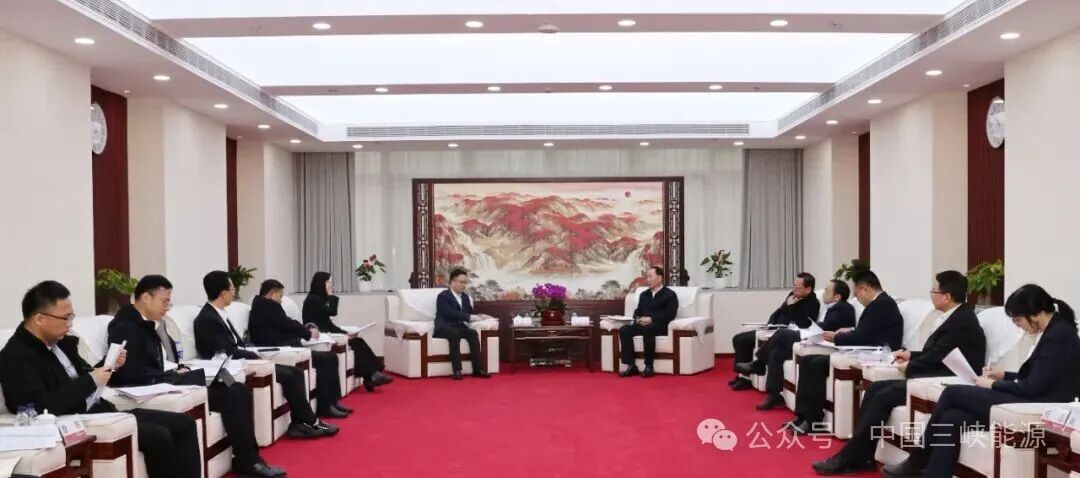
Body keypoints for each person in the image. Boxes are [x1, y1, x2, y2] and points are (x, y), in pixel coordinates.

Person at [0, 281, 202, 478]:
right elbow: (40, 406)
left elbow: (86, 375)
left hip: (101, 410)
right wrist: (91, 380)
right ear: (39, 319)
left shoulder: (60, 343)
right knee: (158, 435)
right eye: (65, 318)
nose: (70, 325)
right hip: (74, 421)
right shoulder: (17, 356)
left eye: (72, 317)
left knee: (183, 423)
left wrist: (109, 364)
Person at [884, 284, 1080, 478]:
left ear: (1035, 314)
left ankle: (917, 460)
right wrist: (1002, 375)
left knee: (952, 393)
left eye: (1018, 320)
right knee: (952, 417)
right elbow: (1037, 377)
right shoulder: (1054, 331)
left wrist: (992, 384)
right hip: (1031, 397)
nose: (1017, 326)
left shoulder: (1058, 336)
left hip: (1039, 404)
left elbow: (1033, 387)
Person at [108, 275, 286, 478]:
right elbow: (131, 373)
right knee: (230, 395)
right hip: (151, 386)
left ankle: (248, 457)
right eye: (165, 302)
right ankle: (248, 461)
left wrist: (177, 370)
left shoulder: (148, 322)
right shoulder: (126, 327)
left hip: (167, 377)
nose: (167, 308)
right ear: (146, 298)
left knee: (236, 387)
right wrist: (171, 375)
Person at [812, 270, 986, 474]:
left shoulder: (962, 321)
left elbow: (938, 356)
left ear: (947, 296)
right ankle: (860, 455)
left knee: (884, 395)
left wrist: (910, 366)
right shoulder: (955, 316)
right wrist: (911, 355)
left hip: (941, 380)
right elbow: (939, 352)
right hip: (933, 374)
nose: (931, 294)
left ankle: (851, 457)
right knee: (876, 388)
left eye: (934, 291)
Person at [195, 272, 345, 436]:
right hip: (230, 367)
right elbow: (225, 351)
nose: (234, 292)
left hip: (242, 359)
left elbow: (236, 345)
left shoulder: (220, 314)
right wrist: (253, 355)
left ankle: (299, 423)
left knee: (295, 372)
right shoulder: (207, 319)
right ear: (223, 293)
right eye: (232, 289)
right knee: (288, 376)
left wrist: (251, 352)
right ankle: (312, 423)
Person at [784, 270, 903, 434]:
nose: (857, 299)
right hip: (867, 349)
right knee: (808, 360)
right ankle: (803, 416)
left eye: (857, 294)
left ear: (865, 289)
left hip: (877, 354)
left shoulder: (881, 304)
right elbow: (868, 332)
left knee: (816, 363)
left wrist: (837, 337)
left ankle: (811, 419)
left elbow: (864, 336)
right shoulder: (880, 303)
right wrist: (850, 330)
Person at [739, 279, 855, 410]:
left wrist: (809, 327)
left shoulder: (843, 307)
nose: (823, 293)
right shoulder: (831, 307)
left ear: (837, 297)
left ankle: (758, 364)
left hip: (823, 342)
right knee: (776, 353)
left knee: (782, 333)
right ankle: (774, 395)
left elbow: (826, 326)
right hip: (814, 337)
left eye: (827, 291)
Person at [730, 273, 821, 391]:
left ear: (808, 289)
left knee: (745, 340)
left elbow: (803, 323)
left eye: (797, 287)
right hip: (774, 328)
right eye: (793, 285)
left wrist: (790, 307)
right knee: (738, 339)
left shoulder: (813, 303)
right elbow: (779, 311)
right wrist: (770, 324)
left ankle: (751, 372)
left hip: (784, 334)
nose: (794, 289)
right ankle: (743, 376)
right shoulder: (792, 295)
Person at [302, 272, 393, 389]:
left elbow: (329, 324)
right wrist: (330, 295)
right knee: (356, 342)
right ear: (321, 283)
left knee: (358, 341)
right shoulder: (313, 300)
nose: (331, 285)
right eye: (329, 282)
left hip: (326, 332)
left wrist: (346, 333)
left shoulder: (318, 299)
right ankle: (371, 376)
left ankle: (371, 376)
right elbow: (332, 313)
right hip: (319, 337)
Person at [618, 266, 679, 378]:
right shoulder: (644, 294)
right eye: (647, 277)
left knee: (648, 329)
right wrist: (637, 318)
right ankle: (631, 366)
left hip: (660, 325)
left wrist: (652, 319)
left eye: (651, 276)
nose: (648, 280)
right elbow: (638, 311)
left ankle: (649, 367)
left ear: (660, 278)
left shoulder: (670, 294)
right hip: (643, 324)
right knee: (624, 330)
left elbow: (670, 314)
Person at [434, 268, 492, 380]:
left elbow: (469, 313)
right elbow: (448, 313)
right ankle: (457, 370)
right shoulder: (443, 296)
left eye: (465, 282)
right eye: (461, 282)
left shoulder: (465, 297)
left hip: (458, 327)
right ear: (452, 282)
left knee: (473, 333)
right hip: (443, 327)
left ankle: (478, 369)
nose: (464, 285)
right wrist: (469, 317)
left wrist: (480, 316)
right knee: (455, 334)